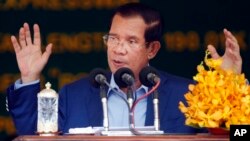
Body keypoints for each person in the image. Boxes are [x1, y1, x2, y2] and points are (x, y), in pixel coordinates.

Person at [7, 2, 242, 135]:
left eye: (131, 42)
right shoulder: (74, 95)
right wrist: (29, 77)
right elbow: (30, 137)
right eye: (113, 38)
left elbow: (241, 135)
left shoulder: (189, 94)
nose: (118, 49)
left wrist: (233, 87)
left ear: (152, 49)